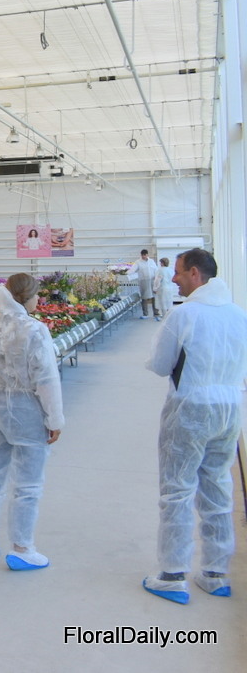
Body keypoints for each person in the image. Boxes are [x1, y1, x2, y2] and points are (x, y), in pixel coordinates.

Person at [142, 248, 247, 603]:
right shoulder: (239, 315)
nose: (173, 278)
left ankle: (172, 575)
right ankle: (215, 573)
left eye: (178, 272)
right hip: (229, 410)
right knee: (217, 486)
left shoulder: (184, 315)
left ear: (195, 274)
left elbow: (160, 364)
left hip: (190, 410)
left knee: (177, 489)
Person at [0, 273, 64, 570]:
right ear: (27, 297)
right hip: (25, 411)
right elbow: (46, 378)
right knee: (28, 482)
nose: (39, 300)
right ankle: (22, 548)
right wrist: (54, 417)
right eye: (37, 295)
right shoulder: (34, 330)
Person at [134, 248, 157, 318]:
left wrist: (157, 278)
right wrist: (126, 273)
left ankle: (156, 313)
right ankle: (145, 313)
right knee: (144, 297)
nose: (143, 256)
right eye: (142, 255)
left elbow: (156, 269)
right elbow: (133, 269)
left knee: (154, 296)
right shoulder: (138, 262)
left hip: (152, 280)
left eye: (145, 255)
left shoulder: (151, 261)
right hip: (143, 281)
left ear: (147, 255)